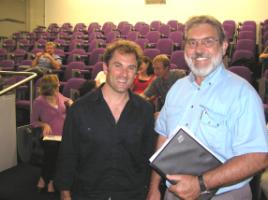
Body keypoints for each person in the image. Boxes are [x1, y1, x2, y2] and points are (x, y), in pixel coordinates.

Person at [146, 15, 268, 200]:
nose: (198, 50)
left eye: (208, 41)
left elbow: (258, 157)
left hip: (224, 195)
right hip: (173, 193)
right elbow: (164, 138)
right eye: (192, 42)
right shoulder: (177, 88)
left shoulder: (243, 93)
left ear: (224, 46)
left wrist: (200, 184)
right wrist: (155, 187)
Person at [55, 39, 157, 200]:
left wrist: (153, 190)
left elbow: (150, 155)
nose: (124, 74)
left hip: (132, 194)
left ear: (136, 71)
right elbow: (68, 154)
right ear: (105, 68)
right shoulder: (79, 109)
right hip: (87, 193)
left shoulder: (145, 110)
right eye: (118, 66)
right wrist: (65, 192)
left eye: (131, 68)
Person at [30, 74, 73, 193]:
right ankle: (50, 180)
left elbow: (68, 101)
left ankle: (45, 178)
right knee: (53, 149)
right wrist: (44, 124)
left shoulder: (59, 96)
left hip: (63, 135)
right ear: (52, 88)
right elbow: (33, 122)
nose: (59, 85)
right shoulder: (39, 102)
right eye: (57, 84)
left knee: (57, 151)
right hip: (48, 136)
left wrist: (70, 102)